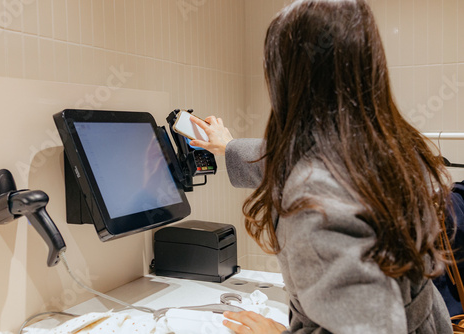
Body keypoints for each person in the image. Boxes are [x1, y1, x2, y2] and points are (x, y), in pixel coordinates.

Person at [189, 0, 454, 333]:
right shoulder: (391, 149)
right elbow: (308, 157)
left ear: (289, 79)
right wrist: (227, 146)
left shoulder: (317, 200)